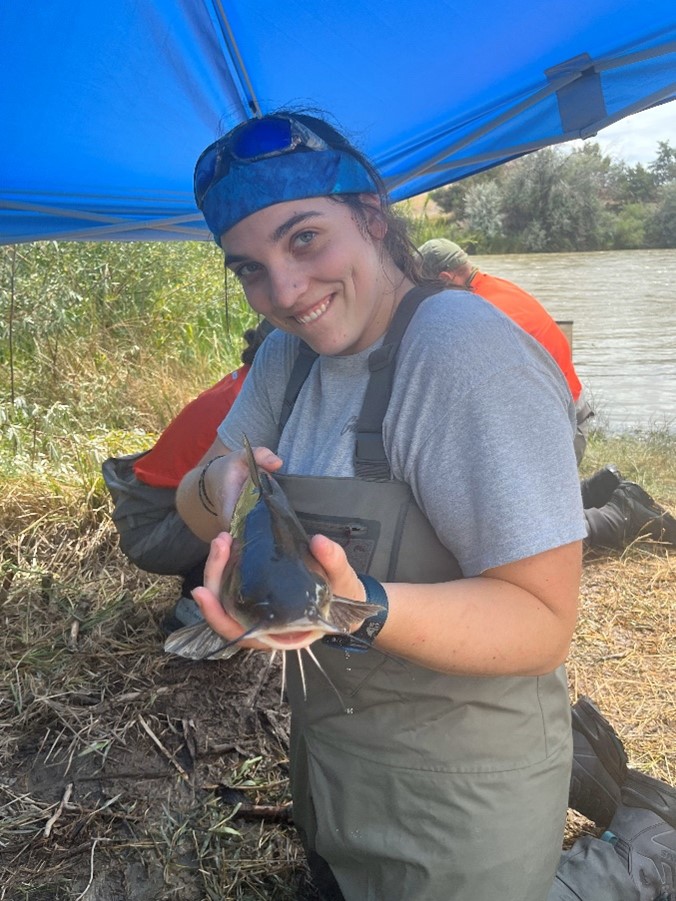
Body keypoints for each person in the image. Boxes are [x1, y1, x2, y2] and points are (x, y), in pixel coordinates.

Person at [175, 111, 674, 900]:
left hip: (461, 793)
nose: (284, 291)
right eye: (250, 268)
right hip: (333, 764)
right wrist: (222, 488)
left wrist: (358, 605)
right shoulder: (286, 358)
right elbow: (197, 497)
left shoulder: (461, 355)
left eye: (305, 238)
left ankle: (649, 848)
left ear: (372, 216)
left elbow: (542, 621)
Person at [418, 238, 676, 552]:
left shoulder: (483, 315)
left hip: (563, 430)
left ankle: (621, 515)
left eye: (426, 288)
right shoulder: (491, 289)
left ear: (445, 278)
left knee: (513, 542)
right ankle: (592, 492)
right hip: (566, 417)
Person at [101, 320, 273, 630]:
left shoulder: (247, 381)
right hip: (152, 528)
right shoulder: (254, 400)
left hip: (149, 508)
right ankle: (197, 612)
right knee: (262, 496)